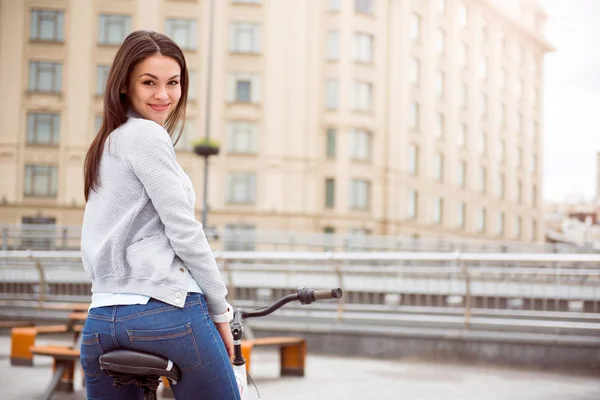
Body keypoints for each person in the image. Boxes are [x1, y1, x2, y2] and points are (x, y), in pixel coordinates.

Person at [80, 30, 240, 399]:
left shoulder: (106, 142)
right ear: (124, 85)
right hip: (166, 313)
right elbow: (184, 232)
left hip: (101, 320)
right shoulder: (147, 136)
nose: (163, 95)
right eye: (149, 82)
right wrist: (220, 310)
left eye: (173, 82)